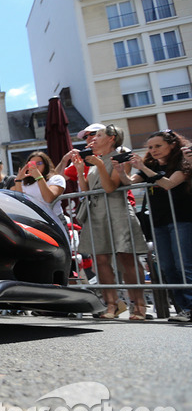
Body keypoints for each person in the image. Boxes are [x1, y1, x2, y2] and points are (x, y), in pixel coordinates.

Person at [114, 130, 192, 323]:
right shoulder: (150, 165)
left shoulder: (183, 163)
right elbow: (130, 183)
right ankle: (184, 308)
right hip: (158, 222)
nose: (153, 151)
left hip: (182, 219)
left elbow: (168, 184)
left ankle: (190, 306)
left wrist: (145, 169)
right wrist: (121, 171)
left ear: (172, 145)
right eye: (150, 147)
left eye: (158, 146)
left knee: (185, 265)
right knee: (167, 266)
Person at [72, 124, 148, 320]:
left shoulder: (121, 155)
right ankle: (111, 305)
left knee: (127, 258)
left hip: (117, 210)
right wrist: (81, 170)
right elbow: (86, 189)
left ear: (111, 138)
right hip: (96, 212)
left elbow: (110, 187)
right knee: (101, 260)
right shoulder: (93, 161)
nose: (92, 139)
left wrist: (98, 165)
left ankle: (138, 306)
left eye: (98, 135)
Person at [12, 151, 66, 220]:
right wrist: (18, 180)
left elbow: (48, 198)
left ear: (46, 165)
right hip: (34, 220)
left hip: (54, 220)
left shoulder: (56, 178)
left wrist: (39, 177)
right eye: (31, 164)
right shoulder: (25, 182)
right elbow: (21, 202)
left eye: (39, 163)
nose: (36, 166)